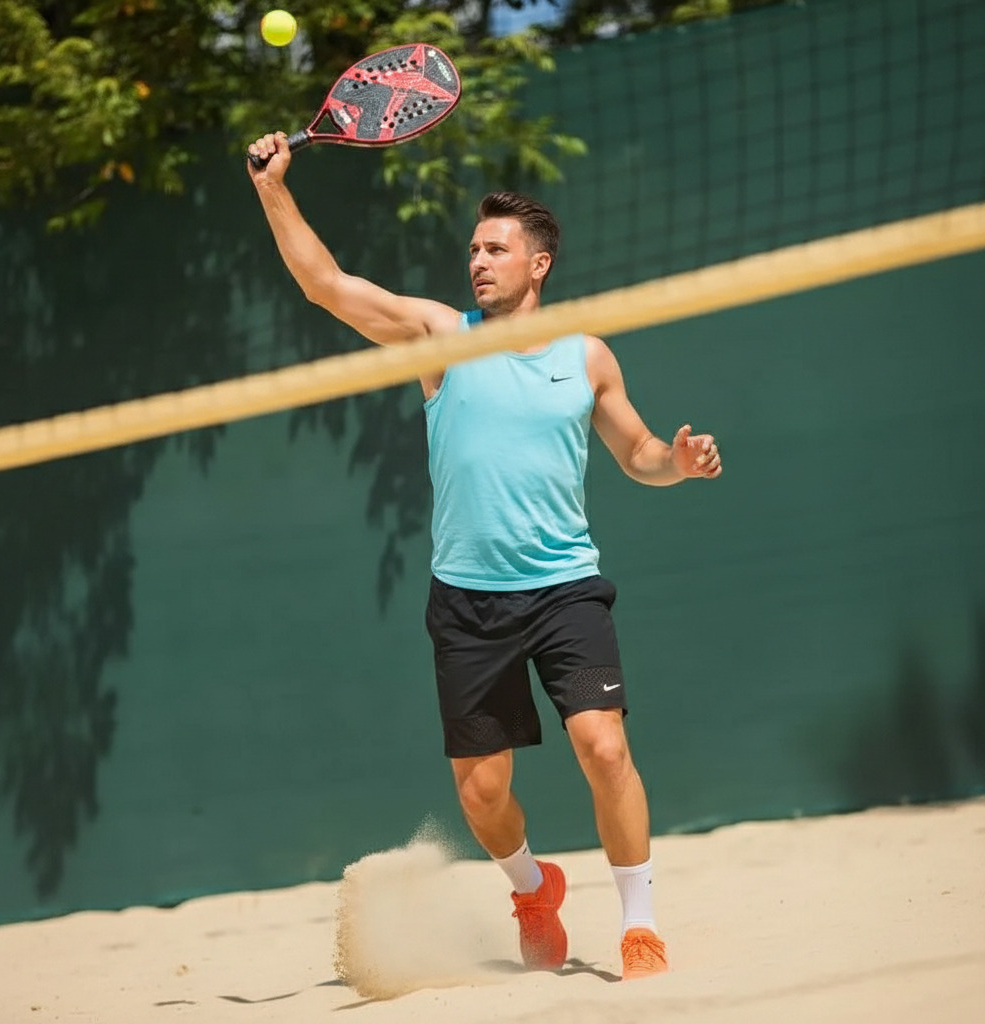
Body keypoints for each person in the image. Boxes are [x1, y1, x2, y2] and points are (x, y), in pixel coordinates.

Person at [247, 130, 721, 981]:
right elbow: (326, 286)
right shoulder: (440, 335)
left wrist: (676, 464)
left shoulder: (586, 355)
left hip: (566, 589)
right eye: (473, 249)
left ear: (539, 265)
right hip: (468, 601)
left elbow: (640, 453)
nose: (478, 261)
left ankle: (640, 926)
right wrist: (272, 188)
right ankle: (534, 889)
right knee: (483, 793)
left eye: (495, 249)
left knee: (604, 748)